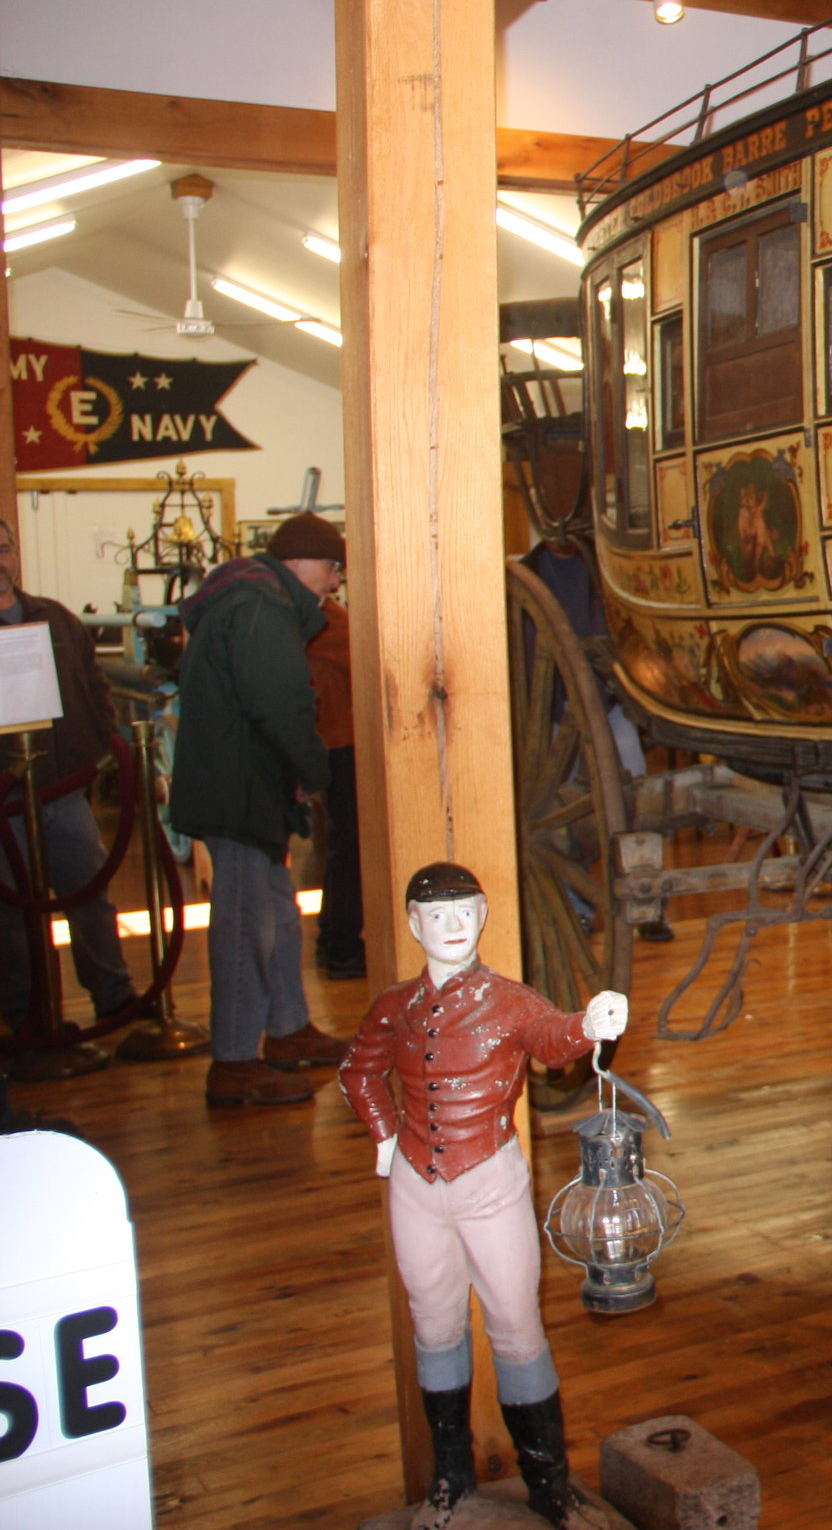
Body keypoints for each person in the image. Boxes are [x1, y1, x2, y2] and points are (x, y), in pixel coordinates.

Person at [341, 862, 627, 1530]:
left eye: (463, 912)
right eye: (435, 915)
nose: (450, 926)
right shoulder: (394, 1006)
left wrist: (590, 1023)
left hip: (489, 1182)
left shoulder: (509, 1001)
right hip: (416, 1186)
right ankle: (450, 1475)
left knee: (516, 1325)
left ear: (483, 915)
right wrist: (384, 1135)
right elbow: (358, 1069)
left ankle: (548, 1483)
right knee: (434, 1326)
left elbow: (552, 1039)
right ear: (414, 924)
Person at [170, 512, 348, 1107]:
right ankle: (235, 1059)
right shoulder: (260, 607)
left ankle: (288, 1029)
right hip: (239, 788)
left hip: (246, 783)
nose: (334, 582)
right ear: (301, 560)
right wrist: (312, 770)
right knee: (248, 924)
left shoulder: (252, 598)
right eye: (331, 566)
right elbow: (280, 703)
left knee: (275, 912)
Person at [0, 516, 138, 1038]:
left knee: (90, 897)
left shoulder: (54, 619)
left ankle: (115, 997)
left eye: (4, 548)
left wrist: (98, 744)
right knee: (11, 915)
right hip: (5, 804)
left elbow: (95, 687)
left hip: (64, 792)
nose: (0, 560)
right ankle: (26, 1015)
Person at [308, 594, 366, 978]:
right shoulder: (325, 620)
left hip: (334, 741)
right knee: (350, 848)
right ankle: (342, 945)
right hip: (341, 742)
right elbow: (362, 661)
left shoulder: (321, 617)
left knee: (342, 846)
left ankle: (334, 940)